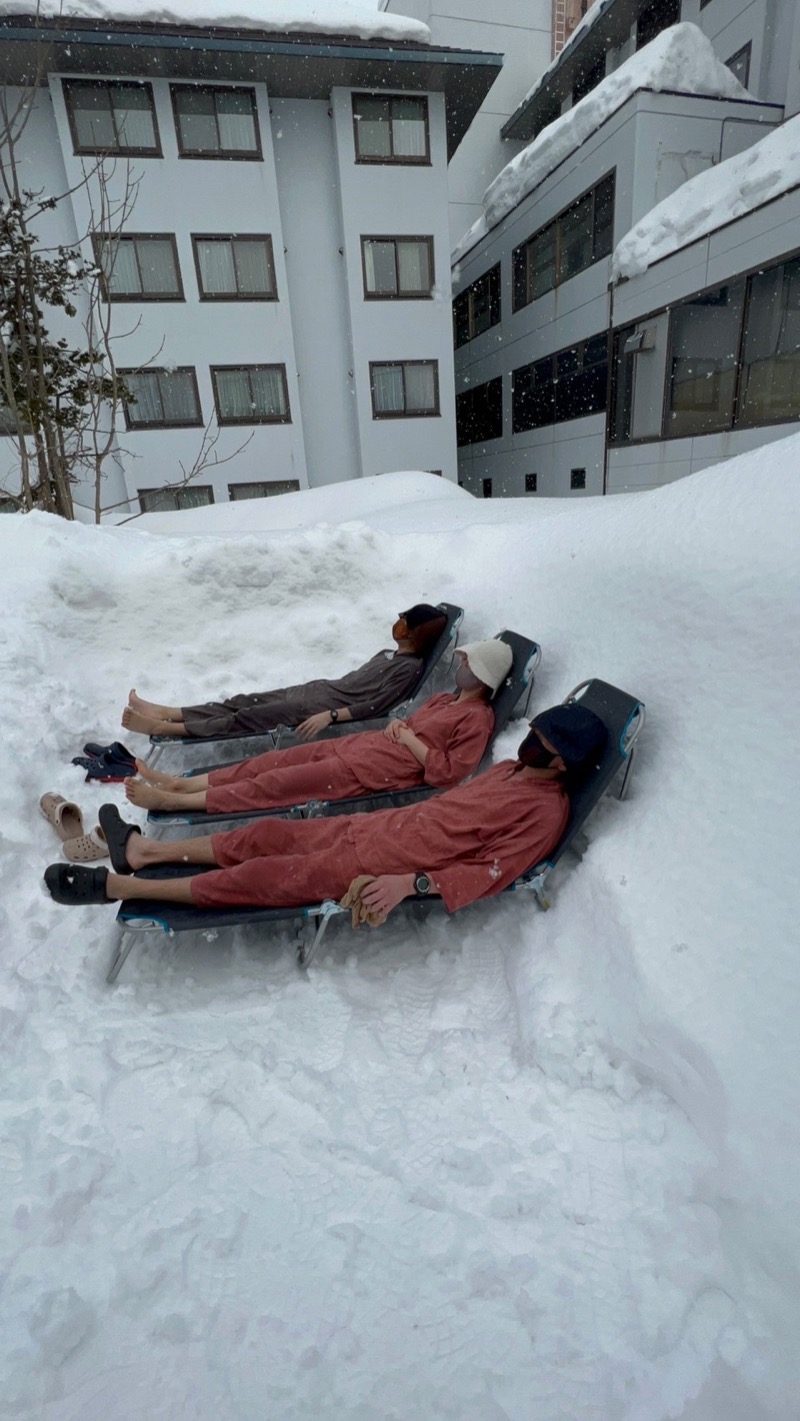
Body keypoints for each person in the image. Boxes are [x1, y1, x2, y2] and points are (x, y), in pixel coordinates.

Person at [44, 704, 608, 921]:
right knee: (266, 834)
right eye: (533, 730)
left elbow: (491, 872)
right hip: (374, 827)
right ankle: (149, 850)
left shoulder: (545, 812)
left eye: (543, 740)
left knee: (264, 877)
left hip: (388, 863)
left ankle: (122, 887)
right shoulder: (513, 770)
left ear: (562, 764)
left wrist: (409, 885)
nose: (530, 740)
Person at [123, 639, 513, 816]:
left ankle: (177, 801)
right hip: (365, 745)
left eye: (466, 662)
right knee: (274, 763)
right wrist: (400, 727)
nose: (459, 666)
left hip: (373, 769)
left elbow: (449, 772)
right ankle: (182, 784)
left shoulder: (478, 718)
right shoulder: (444, 700)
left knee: (276, 786)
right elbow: (405, 722)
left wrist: (407, 737)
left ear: (481, 674)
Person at [120, 603, 448, 741]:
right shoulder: (388, 653)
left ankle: (167, 729)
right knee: (241, 701)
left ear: (415, 633)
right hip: (311, 691)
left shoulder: (407, 669)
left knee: (243, 719)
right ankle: (167, 712)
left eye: (405, 622)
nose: (398, 624)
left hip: (314, 708)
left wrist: (330, 716)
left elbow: (375, 707)